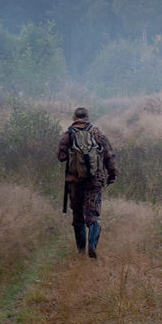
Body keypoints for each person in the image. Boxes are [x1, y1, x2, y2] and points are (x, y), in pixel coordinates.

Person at [56, 107, 117, 258]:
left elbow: (61, 157)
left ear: (74, 117)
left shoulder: (68, 134)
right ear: (88, 117)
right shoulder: (97, 133)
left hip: (74, 182)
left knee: (78, 216)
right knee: (93, 215)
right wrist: (112, 175)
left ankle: (81, 250)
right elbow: (109, 155)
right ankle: (92, 245)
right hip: (94, 180)